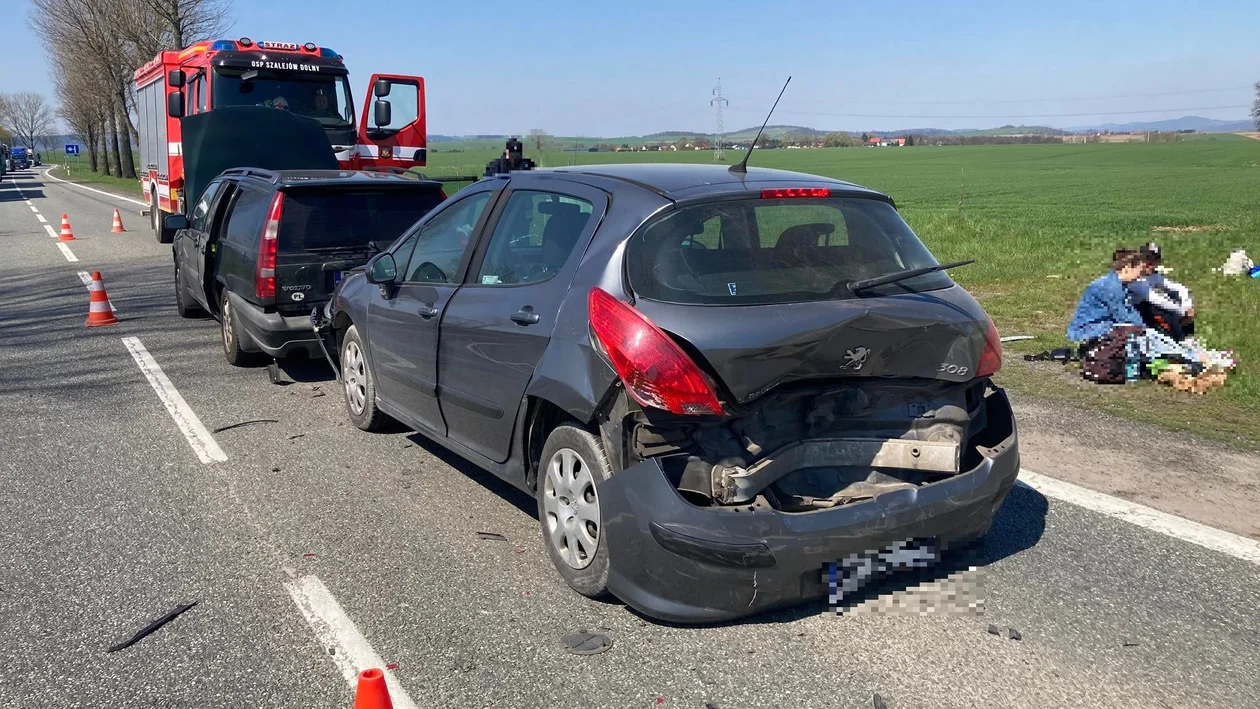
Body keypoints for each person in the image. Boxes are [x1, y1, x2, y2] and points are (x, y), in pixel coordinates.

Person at [1067, 248, 1148, 348]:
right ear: (1128, 268)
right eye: (1139, 270)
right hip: (1087, 330)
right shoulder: (1110, 287)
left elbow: (1129, 310)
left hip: (1103, 324)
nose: (1141, 275)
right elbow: (1124, 316)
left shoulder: (1119, 284)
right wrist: (1146, 329)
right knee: (1132, 330)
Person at [1127, 242, 1195, 341]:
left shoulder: (1152, 275)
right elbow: (1156, 300)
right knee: (1161, 309)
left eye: (1154, 261)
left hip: (1146, 304)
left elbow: (1179, 288)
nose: (1150, 264)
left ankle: (1186, 334)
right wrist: (1182, 312)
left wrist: (1188, 306)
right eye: (1147, 259)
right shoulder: (1134, 278)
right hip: (1133, 311)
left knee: (1174, 296)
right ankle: (1179, 340)